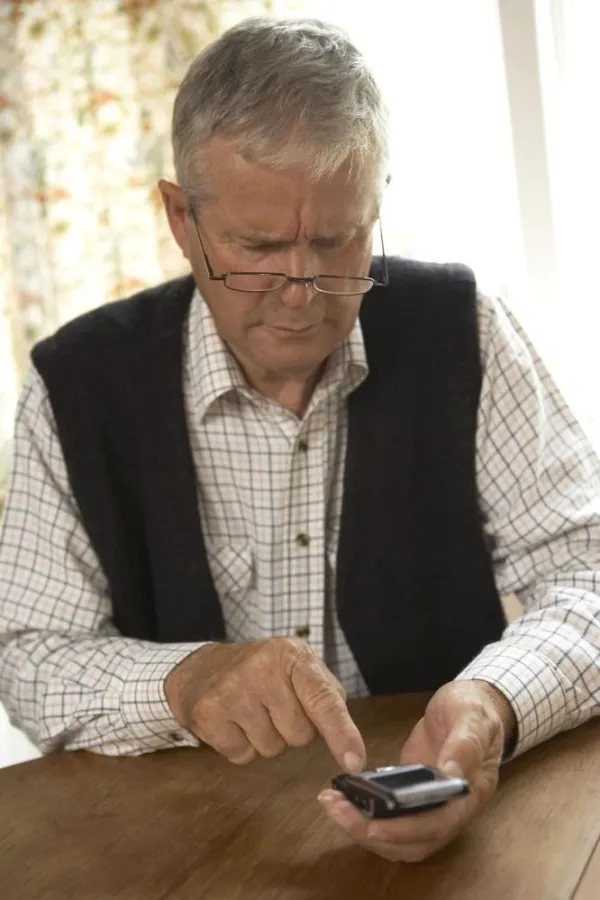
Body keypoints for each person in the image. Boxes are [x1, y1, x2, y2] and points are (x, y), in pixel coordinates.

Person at [0, 16, 599, 864]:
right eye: (256, 247)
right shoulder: (76, 386)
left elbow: (591, 572)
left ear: (377, 201)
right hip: (182, 846)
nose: (300, 290)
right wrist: (182, 680)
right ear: (181, 220)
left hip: (462, 840)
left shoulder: (466, 333)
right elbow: (30, 656)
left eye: (336, 241)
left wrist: (493, 703)